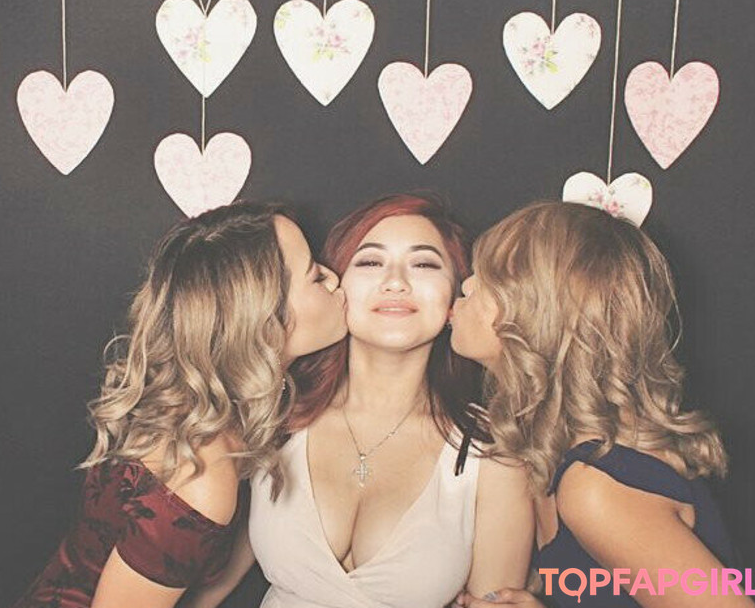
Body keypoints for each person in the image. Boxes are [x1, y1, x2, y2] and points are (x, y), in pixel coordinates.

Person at [189, 194, 534, 608]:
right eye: (370, 261)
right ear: (333, 285)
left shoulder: (492, 454)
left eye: (424, 264)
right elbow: (213, 581)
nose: (396, 282)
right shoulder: (275, 417)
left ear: (454, 299)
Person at [12, 201, 348, 608]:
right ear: (266, 321)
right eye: (315, 275)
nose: (334, 277)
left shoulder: (215, 407)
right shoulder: (201, 479)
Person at [450, 201, 752, 608]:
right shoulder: (558, 457)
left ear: (538, 313)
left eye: (488, 278)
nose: (467, 286)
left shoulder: (597, 486)